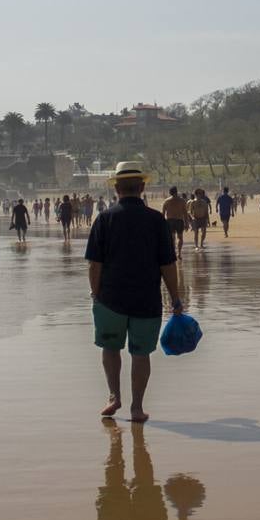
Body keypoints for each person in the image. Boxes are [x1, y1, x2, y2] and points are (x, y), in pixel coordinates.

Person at [85, 162, 182, 424]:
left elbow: (95, 264)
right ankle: (136, 408)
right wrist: (175, 297)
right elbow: (167, 265)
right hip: (146, 299)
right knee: (141, 353)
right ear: (142, 187)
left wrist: (95, 294)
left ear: (116, 188)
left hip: (110, 298)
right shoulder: (155, 221)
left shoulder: (104, 219)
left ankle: (113, 396)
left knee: (110, 347)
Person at [162, 187, 189, 254]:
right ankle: (179, 253)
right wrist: (186, 223)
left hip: (170, 221)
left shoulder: (166, 201)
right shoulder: (182, 201)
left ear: (170, 192)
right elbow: (185, 213)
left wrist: (162, 224)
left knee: (172, 238)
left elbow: (163, 213)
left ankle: (173, 252)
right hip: (179, 220)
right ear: (176, 192)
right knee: (180, 238)